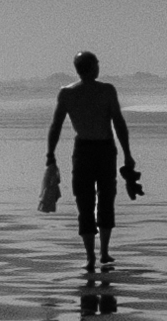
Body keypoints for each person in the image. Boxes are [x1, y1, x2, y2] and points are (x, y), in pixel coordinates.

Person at [46, 50, 137, 271]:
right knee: (101, 200)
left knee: (86, 202)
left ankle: (93, 255)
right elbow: (118, 123)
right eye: (97, 64)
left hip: (87, 149)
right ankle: (101, 252)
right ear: (93, 67)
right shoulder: (106, 90)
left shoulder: (68, 93)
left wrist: (50, 153)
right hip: (101, 148)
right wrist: (127, 154)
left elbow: (56, 125)